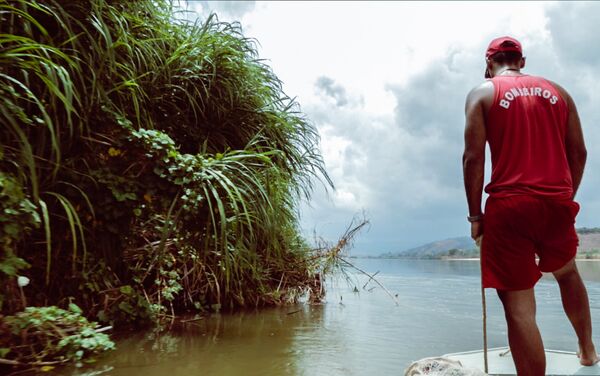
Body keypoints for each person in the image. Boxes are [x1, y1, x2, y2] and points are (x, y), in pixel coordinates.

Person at [462, 36, 599, 375]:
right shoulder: (558, 92)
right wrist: (564, 197)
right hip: (556, 203)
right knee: (567, 273)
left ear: (489, 65)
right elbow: (579, 153)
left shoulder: (483, 92)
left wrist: (475, 215)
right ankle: (587, 352)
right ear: (522, 61)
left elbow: (473, 158)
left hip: (510, 208)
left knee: (518, 305)